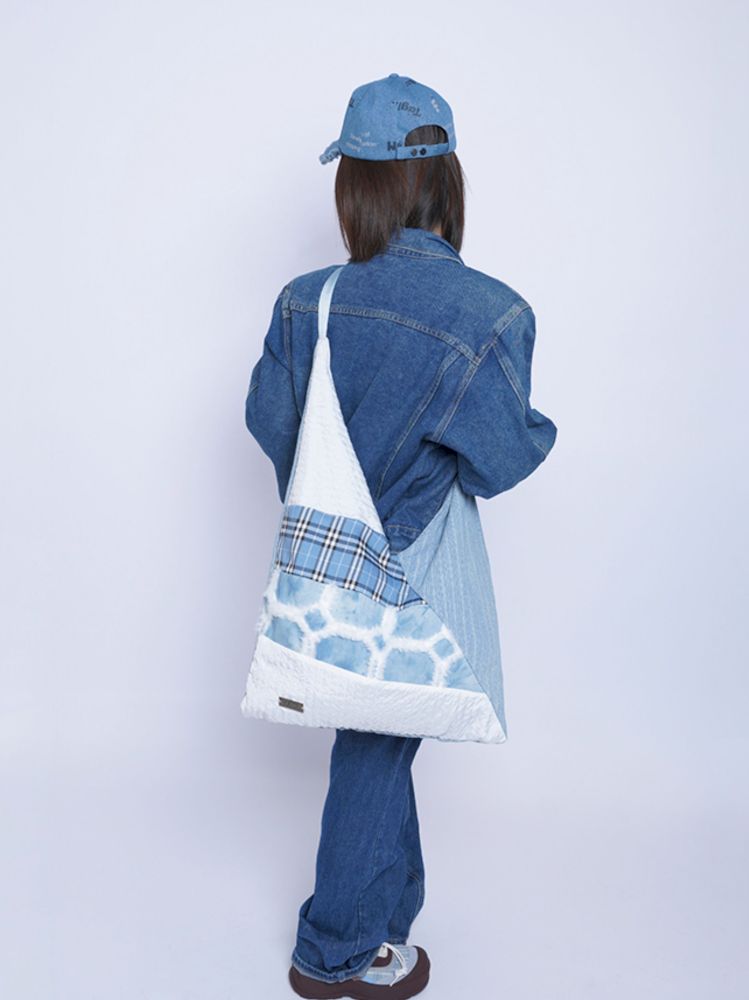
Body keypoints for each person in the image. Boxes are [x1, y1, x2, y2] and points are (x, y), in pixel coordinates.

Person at [244, 73, 557, 999]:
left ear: (356, 187)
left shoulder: (306, 302)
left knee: (383, 733)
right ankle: (333, 950)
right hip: (415, 578)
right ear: (445, 182)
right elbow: (501, 462)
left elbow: (273, 427)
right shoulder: (492, 313)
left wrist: (344, 506)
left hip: (331, 575)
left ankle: (387, 926)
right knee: (376, 742)